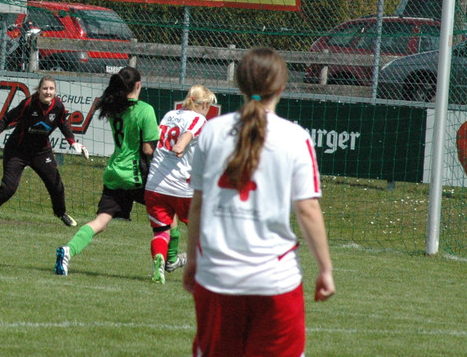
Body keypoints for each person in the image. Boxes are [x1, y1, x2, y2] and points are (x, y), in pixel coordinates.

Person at [183, 47, 335, 357]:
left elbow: (197, 204)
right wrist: (325, 269)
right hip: (275, 280)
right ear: (281, 87)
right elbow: (307, 209)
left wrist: (194, 262)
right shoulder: (295, 137)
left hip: (217, 277)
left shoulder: (211, 131)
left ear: (239, 84)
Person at [55, 66, 158, 275]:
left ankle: (68, 250)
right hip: (136, 175)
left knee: (101, 222)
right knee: (165, 217)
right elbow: (148, 149)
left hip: (114, 172)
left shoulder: (114, 108)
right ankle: (167, 261)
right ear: (138, 85)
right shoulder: (145, 110)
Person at [0, 75, 89, 225]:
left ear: (55, 91)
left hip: (41, 152)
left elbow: (63, 124)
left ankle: (61, 214)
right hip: (17, 151)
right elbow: (7, 119)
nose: (48, 92)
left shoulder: (58, 106)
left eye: (51, 89)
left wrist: (73, 142)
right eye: (45, 88)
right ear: (39, 90)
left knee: (56, 185)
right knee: (8, 189)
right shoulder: (28, 103)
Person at [144, 84, 216, 284]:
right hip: (182, 187)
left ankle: (160, 261)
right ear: (202, 104)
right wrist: (180, 146)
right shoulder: (198, 119)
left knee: (161, 231)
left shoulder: (169, 115)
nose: (208, 110)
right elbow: (187, 135)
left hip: (155, 185)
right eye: (208, 105)